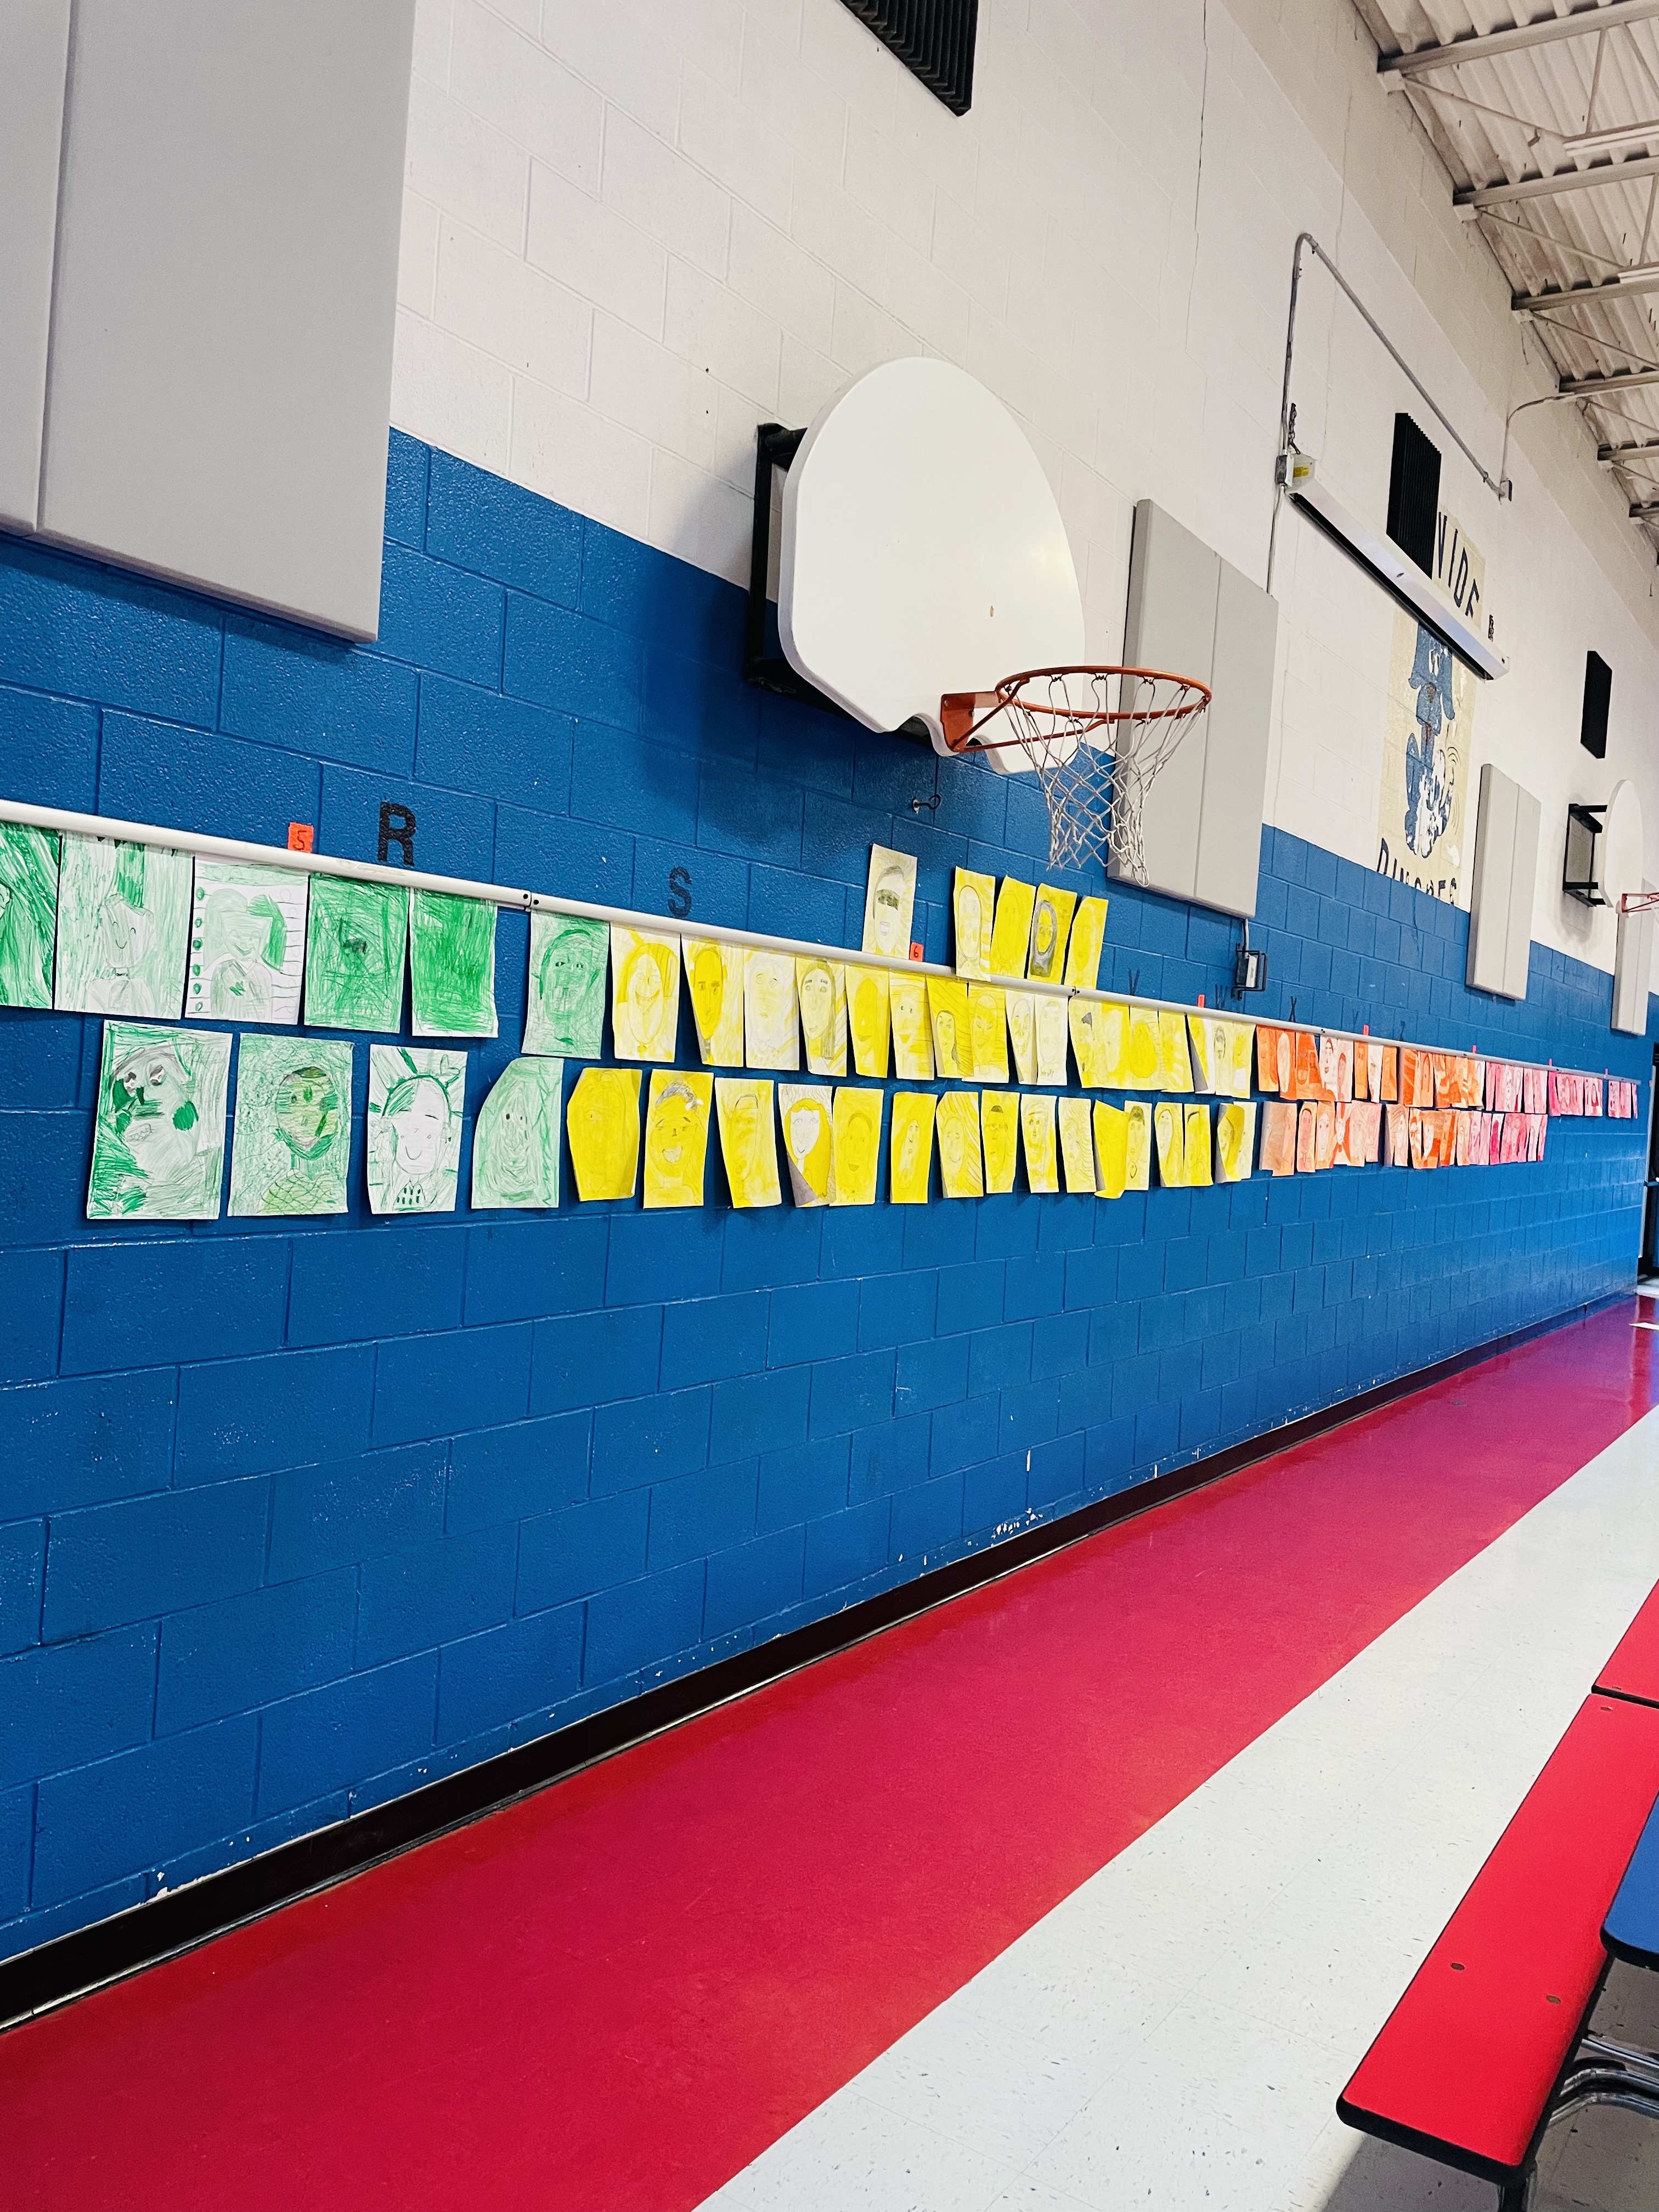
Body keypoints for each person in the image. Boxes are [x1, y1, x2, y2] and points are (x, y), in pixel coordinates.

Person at [260, 1063, 345, 1214]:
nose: (304, 1120)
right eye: (294, 1101)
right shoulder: (278, 1195)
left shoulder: (333, 1189)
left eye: (323, 1104)